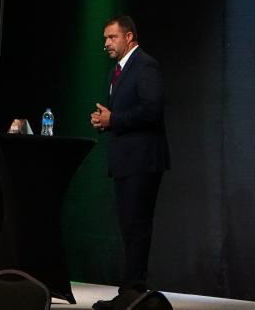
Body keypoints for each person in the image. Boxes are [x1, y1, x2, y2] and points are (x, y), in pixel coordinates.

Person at [90, 15, 171, 310]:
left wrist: (115, 119)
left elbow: (152, 110)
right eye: (105, 39)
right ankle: (131, 293)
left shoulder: (145, 65)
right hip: (126, 159)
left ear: (129, 37)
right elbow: (126, 113)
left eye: (112, 37)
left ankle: (132, 294)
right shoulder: (118, 70)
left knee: (136, 228)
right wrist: (105, 122)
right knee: (129, 228)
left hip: (142, 159)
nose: (106, 44)